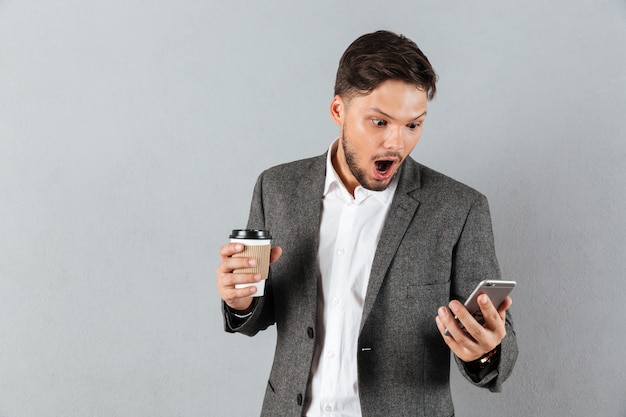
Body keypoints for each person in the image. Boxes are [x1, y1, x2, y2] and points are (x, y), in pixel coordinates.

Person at [216, 30, 518, 417]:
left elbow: (501, 348)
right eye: (379, 122)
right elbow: (261, 313)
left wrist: (486, 350)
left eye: (413, 125)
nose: (396, 143)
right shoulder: (276, 188)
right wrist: (241, 304)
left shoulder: (460, 208)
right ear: (338, 111)